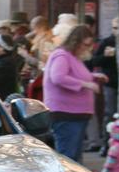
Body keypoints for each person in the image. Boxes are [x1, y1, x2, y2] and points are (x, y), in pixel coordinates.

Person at [43, 26, 106, 161]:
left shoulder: (72, 57)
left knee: (74, 158)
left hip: (75, 114)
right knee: (69, 158)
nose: (87, 48)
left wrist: (93, 77)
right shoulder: (62, 55)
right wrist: (86, 84)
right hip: (66, 114)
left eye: (90, 45)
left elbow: (74, 75)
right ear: (76, 41)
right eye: (86, 44)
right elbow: (58, 77)